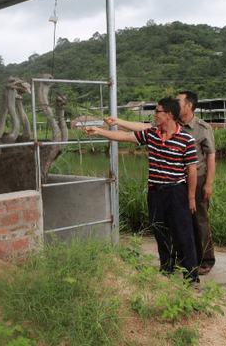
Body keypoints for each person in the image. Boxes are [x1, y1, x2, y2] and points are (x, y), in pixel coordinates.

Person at [84, 97, 200, 283]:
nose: (154, 115)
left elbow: (192, 170)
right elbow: (125, 136)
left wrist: (191, 197)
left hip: (176, 192)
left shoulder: (186, 139)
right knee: (159, 230)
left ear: (169, 114)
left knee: (183, 234)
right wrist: (99, 131)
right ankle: (167, 270)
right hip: (155, 192)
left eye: (157, 112)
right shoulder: (151, 134)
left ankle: (191, 278)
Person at [176, 91, 216, 275]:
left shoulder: (202, 128)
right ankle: (185, 257)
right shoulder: (173, 124)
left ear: (189, 105)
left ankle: (206, 260)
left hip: (198, 179)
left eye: (179, 101)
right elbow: (144, 128)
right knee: (181, 219)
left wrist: (208, 183)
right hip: (178, 179)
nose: (176, 104)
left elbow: (211, 157)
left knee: (200, 219)